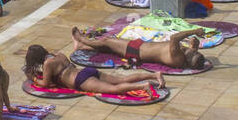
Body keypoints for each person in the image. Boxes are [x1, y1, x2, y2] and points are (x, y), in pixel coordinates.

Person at [23, 44, 164, 96]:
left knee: (113, 89)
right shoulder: (57, 55)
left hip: (80, 80)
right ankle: (154, 75)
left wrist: (34, 79)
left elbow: (46, 84)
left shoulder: (47, 64)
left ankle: (143, 86)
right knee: (121, 80)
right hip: (86, 71)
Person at [69, 24, 209, 71]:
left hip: (136, 51)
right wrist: (194, 44)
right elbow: (192, 49)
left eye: (192, 53)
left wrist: (194, 31)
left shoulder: (177, 58)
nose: (191, 50)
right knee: (110, 47)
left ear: (189, 59)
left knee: (107, 41)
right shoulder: (187, 58)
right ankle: (82, 46)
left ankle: (80, 38)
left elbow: (174, 38)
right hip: (139, 47)